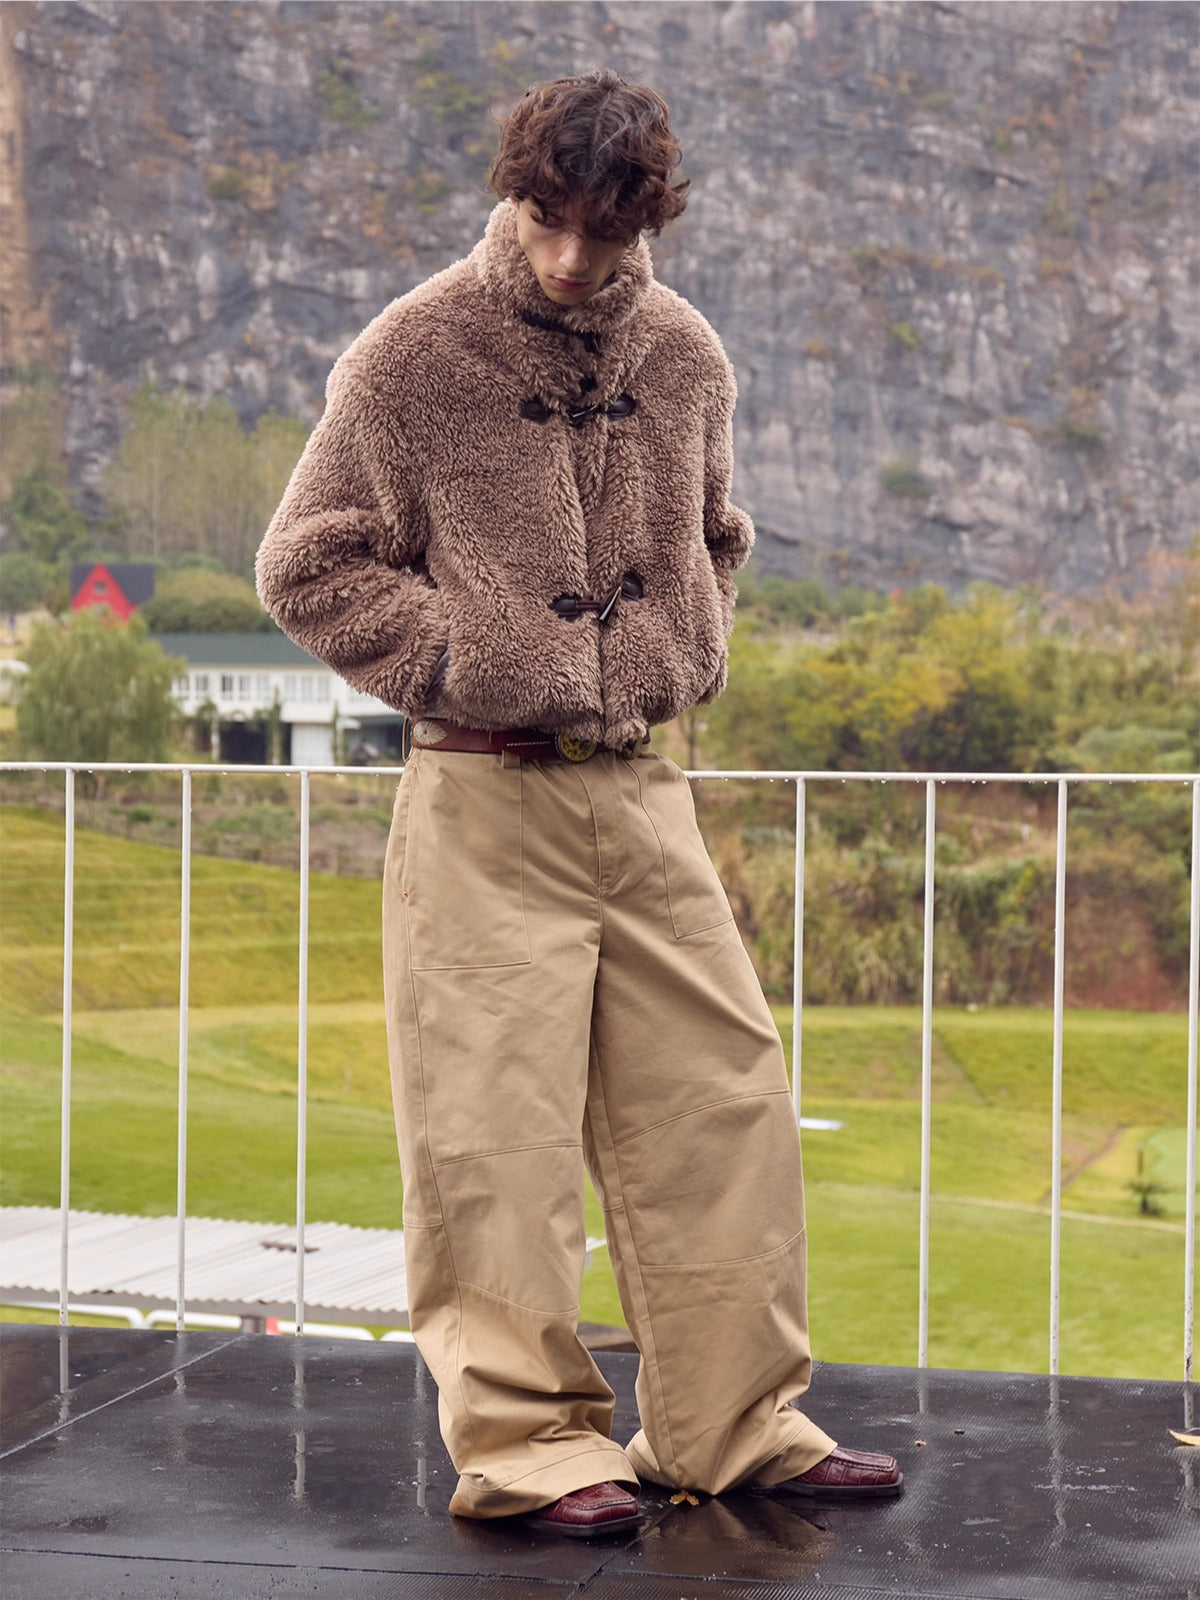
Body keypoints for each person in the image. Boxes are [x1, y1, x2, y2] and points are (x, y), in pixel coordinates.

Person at [256, 69, 902, 1536]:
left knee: (725, 1102)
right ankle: (532, 1444)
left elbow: (716, 535)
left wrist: (684, 645)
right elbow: (305, 563)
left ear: (646, 221)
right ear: (517, 196)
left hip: (643, 791)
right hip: (481, 795)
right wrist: (465, 656)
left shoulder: (683, 354)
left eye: (601, 234)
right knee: (493, 1135)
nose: (567, 259)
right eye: (547, 222)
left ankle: (736, 1421)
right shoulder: (413, 352)